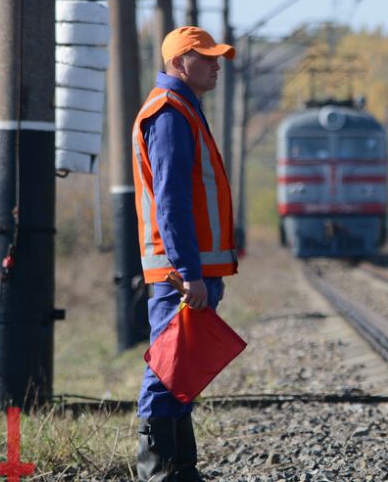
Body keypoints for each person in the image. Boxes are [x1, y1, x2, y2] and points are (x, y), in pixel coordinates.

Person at [131, 26, 239, 482]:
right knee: (169, 365)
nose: (217, 65)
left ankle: (180, 467)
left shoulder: (183, 110)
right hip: (179, 273)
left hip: (187, 270)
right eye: (207, 58)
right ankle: (156, 471)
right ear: (179, 63)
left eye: (217, 57)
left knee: (183, 366)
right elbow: (171, 201)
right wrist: (189, 272)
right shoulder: (170, 113)